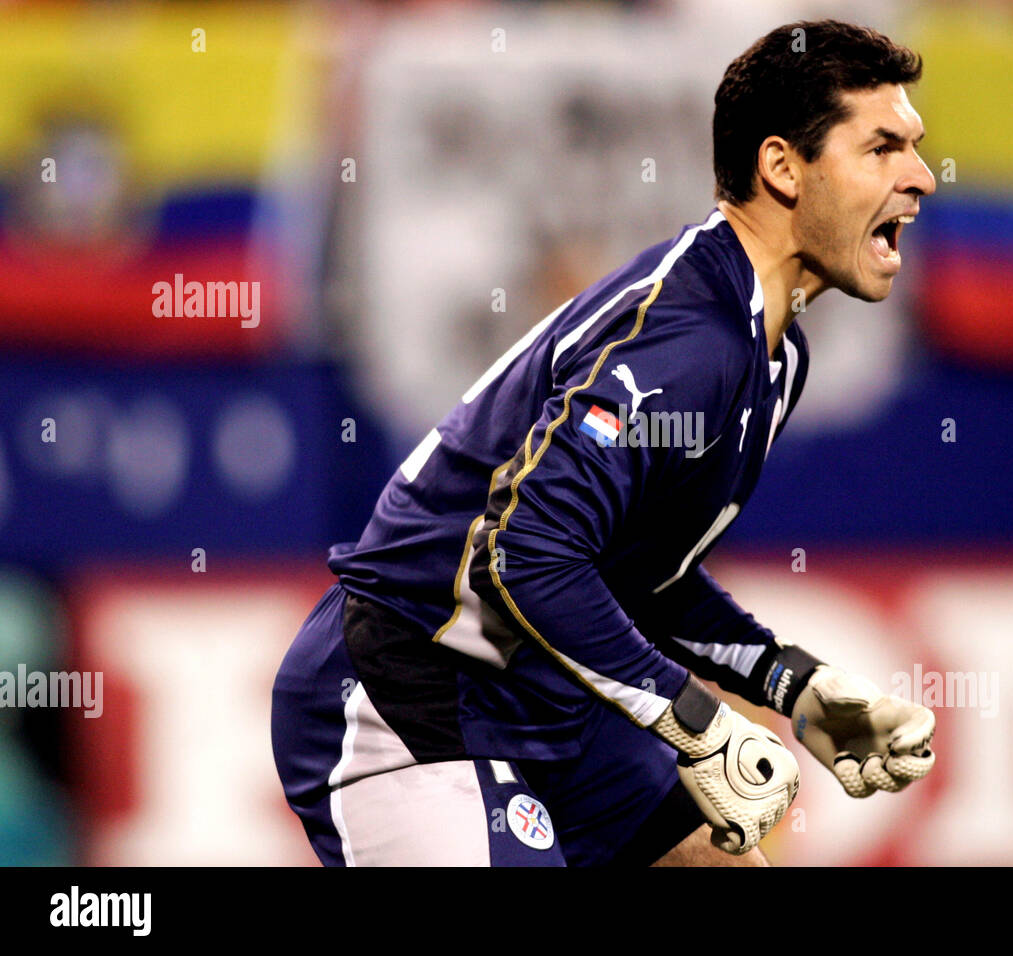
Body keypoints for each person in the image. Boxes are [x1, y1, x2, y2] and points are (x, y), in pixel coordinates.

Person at [272, 18, 938, 867]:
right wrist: (695, 717)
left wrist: (791, 684)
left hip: (534, 694)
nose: (920, 178)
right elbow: (531, 553)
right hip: (412, 694)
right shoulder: (689, 340)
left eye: (914, 148)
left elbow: (630, 576)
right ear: (782, 168)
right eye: (883, 147)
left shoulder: (768, 352)